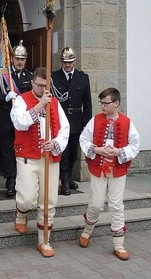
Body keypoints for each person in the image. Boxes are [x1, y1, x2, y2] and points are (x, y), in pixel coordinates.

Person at [10, 67, 69, 258]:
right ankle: (21, 214)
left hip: (50, 157)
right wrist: (38, 105)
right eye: (40, 85)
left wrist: (57, 143)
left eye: (46, 86)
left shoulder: (55, 102)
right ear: (32, 83)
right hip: (28, 156)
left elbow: (64, 127)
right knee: (27, 198)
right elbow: (19, 122)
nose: (43, 89)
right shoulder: (21, 100)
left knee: (49, 200)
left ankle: (44, 240)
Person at [77, 87, 140, 261]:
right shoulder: (95, 120)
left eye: (106, 103)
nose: (102, 106)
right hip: (99, 167)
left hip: (118, 169)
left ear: (116, 103)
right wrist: (96, 149)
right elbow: (84, 139)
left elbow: (135, 144)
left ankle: (119, 245)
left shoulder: (127, 122)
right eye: (101, 103)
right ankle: (87, 230)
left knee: (116, 204)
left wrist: (119, 152)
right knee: (96, 204)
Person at [0, 41, 32, 197]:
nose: (20, 61)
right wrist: (5, 97)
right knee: (8, 151)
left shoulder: (30, 76)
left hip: (23, 121)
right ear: (12, 58)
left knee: (22, 151)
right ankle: (11, 181)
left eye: (22, 58)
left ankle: (23, 180)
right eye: (17, 58)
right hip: (7, 119)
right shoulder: (3, 75)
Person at [51, 47, 92, 195]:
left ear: (74, 61)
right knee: (64, 152)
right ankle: (64, 181)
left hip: (76, 119)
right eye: (65, 62)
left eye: (70, 62)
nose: (67, 65)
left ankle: (68, 177)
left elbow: (87, 103)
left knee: (74, 153)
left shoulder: (83, 77)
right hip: (61, 120)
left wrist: (87, 124)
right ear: (61, 61)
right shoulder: (54, 77)